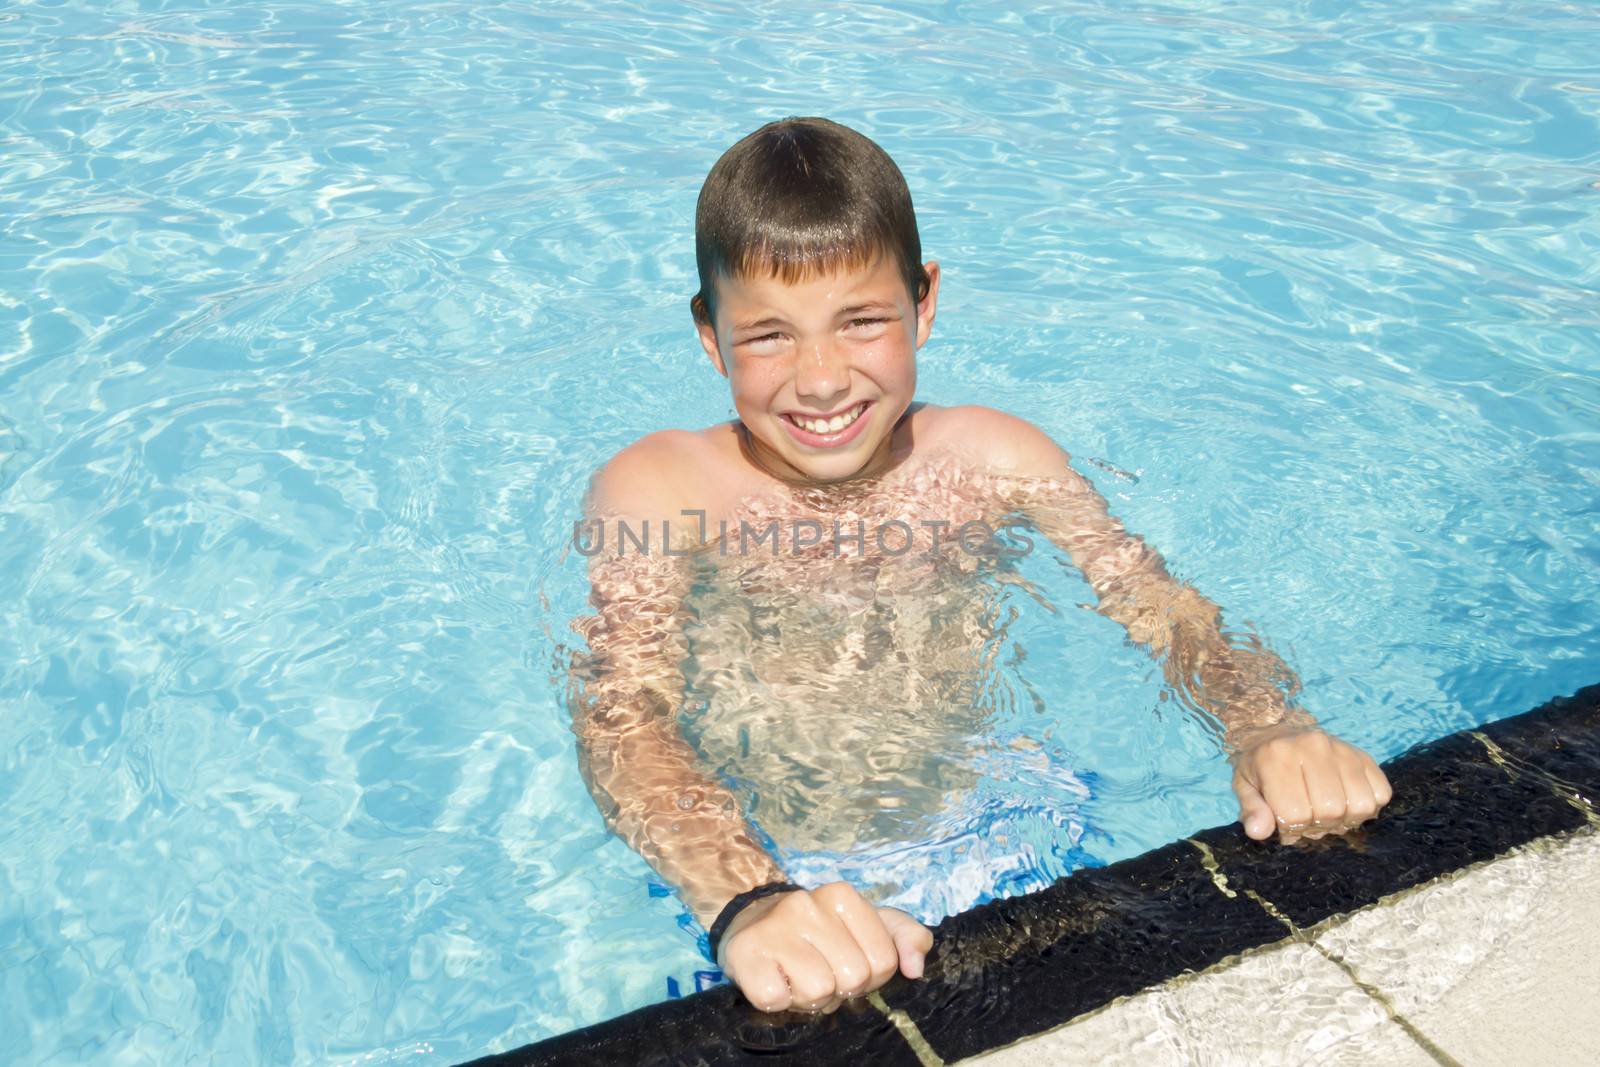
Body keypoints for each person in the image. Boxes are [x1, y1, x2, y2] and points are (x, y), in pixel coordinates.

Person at [566, 116, 1393, 1017]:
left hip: (993, 826)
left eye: (862, 321)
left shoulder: (997, 458)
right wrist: (744, 895)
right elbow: (625, 714)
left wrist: (1263, 724)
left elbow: (1158, 606)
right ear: (709, 334)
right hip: (752, 869)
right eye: (769, 336)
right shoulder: (660, 488)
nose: (820, 379)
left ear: (924, 301)